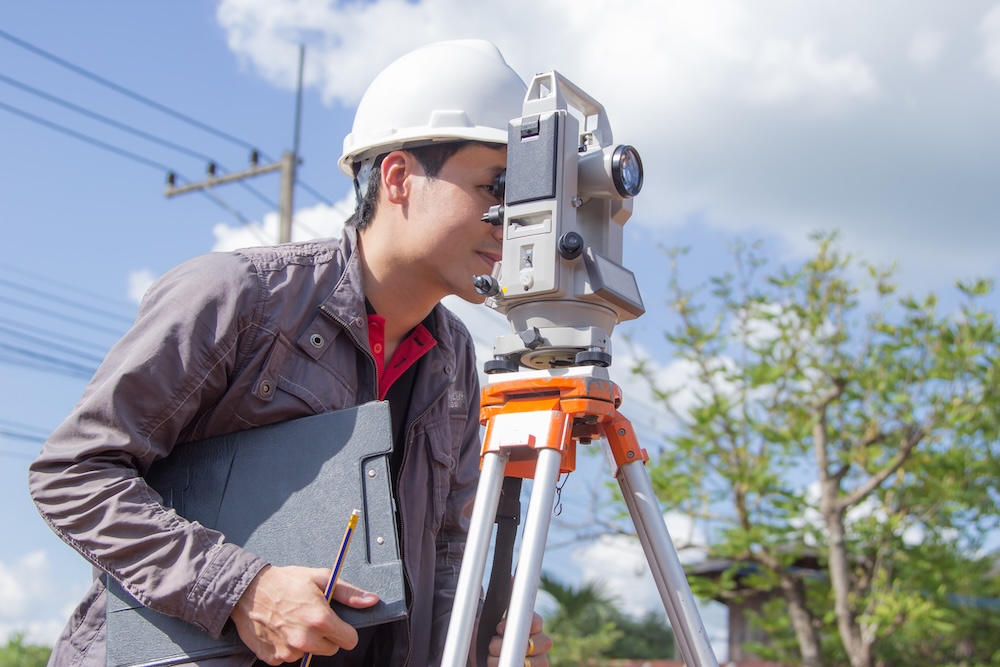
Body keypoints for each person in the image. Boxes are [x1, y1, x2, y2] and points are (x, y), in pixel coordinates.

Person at [28, 39, 552, 666]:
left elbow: (443, 555)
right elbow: (73, 473)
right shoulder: (239, 296)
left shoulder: (454, 359)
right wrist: (241, 589)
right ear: (398, 178)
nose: (513, 221)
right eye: (496, 188)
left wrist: (474, 642)